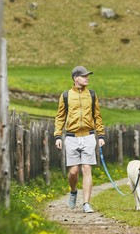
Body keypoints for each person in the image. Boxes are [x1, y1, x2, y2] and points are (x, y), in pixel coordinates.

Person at [54, 66, 105, 213]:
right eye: (84, 76)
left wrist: (100, 135)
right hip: (71, 137)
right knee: (74, 171)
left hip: (89, 136)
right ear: (75, 78)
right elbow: (60, 117)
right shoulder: (66, 95)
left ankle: (86, 203)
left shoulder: (92, 95)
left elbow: (98, 116)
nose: (87, 78)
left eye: (87, 75)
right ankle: (73, 191)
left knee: (87, 168)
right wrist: (58, 135)